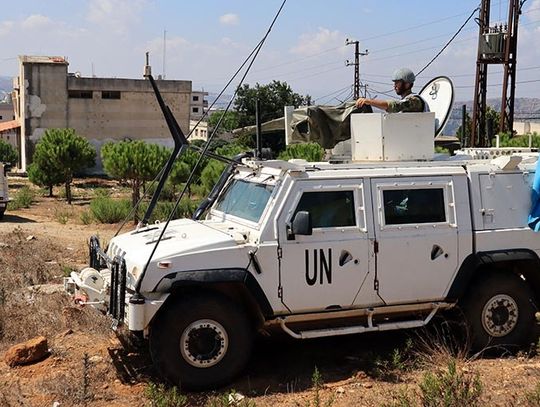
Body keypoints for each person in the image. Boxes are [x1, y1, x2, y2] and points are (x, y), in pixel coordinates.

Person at [355, 68, 428, 113]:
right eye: (394, 83)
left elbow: (396, 106)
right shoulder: (406, 100)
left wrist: (369, 101)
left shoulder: (415, 101)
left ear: (407, 84)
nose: (395, 85)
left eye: (398, 83)